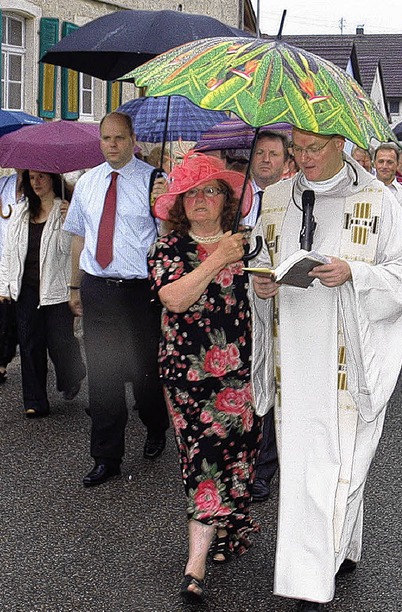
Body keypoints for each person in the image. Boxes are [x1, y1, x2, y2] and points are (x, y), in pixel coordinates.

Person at [250, 127, 402, 611]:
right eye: (297, 150)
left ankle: (314, 578)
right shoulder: (276, 198)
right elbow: (261, 262)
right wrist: (262, 286)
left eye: (314, 149)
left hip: (350, 358)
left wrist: (356, 273)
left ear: (341, 145)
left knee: (346, 465)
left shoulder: (378, 199)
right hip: (295, 357)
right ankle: (333, 554)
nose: (302, 159)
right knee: (308, 469)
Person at [147, 152, 259, 604]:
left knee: (238, 456)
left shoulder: (246, 244)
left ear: (225, 200)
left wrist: (264, 282)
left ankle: (227, 531)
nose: (198, 199)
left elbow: (260, 298)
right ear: (178, 202)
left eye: (209, 191)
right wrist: (217, 260)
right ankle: (195, 565)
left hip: (239, 373)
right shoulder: (168, 249)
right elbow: (174, 298)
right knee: (203, 460)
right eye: (190, 192)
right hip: (187, 375)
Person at [64, 111, 169, 487]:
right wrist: (74, 287)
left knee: (145, 374)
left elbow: (169, 235)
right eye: (106, 138)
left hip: (140, 292)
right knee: (104, 375)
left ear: (132, 139)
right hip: (98, 288)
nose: (112, 145)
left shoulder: (155, 180)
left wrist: (166, 205)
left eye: (119, 138)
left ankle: (156, 425)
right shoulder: (88, 183)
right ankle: (106, 457)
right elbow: (79, 236)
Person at [0, 170, 86, 417]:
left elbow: (69, 250)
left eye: (41, 177)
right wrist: (4, 286)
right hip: (26, 289)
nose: (36, 183)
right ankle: (35, 400)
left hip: (57, 288)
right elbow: (9, 251)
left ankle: (73, 374)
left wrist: (69, 221)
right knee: (29, 343)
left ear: (52, 179)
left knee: (59, 343)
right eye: (31, 178)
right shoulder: (21, 211)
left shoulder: (65, 211)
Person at [242, 130, 290, 503]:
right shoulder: (232, 196)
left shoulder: (293, 203)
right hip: (231, 307)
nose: (265, 160)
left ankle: (263, 468)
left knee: (269, 383)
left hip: (274, 306)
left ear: (286, 162)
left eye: (274, 154)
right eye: (260, 152)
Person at [0, 170, 22, 384]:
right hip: (3, 262)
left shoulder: (42, 184)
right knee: (4, 314)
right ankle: (2, 362)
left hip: (28, 266)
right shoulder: (4, 185)